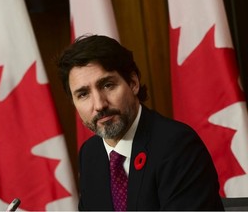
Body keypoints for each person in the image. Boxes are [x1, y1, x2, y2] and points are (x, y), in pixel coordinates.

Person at [57, 34, 224, 211]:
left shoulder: (178, 146)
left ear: (133, 82)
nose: (99, 105)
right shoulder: (90, 154)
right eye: (83, 94)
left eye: (107, 85)